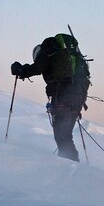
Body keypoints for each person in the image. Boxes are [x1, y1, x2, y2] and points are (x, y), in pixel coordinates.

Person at [10, 33, 90, 161]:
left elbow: (37, 68)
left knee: (61, 135)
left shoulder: (47, 50)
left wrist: (21, 70)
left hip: (63, 98)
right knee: (65, 135)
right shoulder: (65, 56)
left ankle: (70, 166)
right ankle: (70, 163)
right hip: (77, 99)